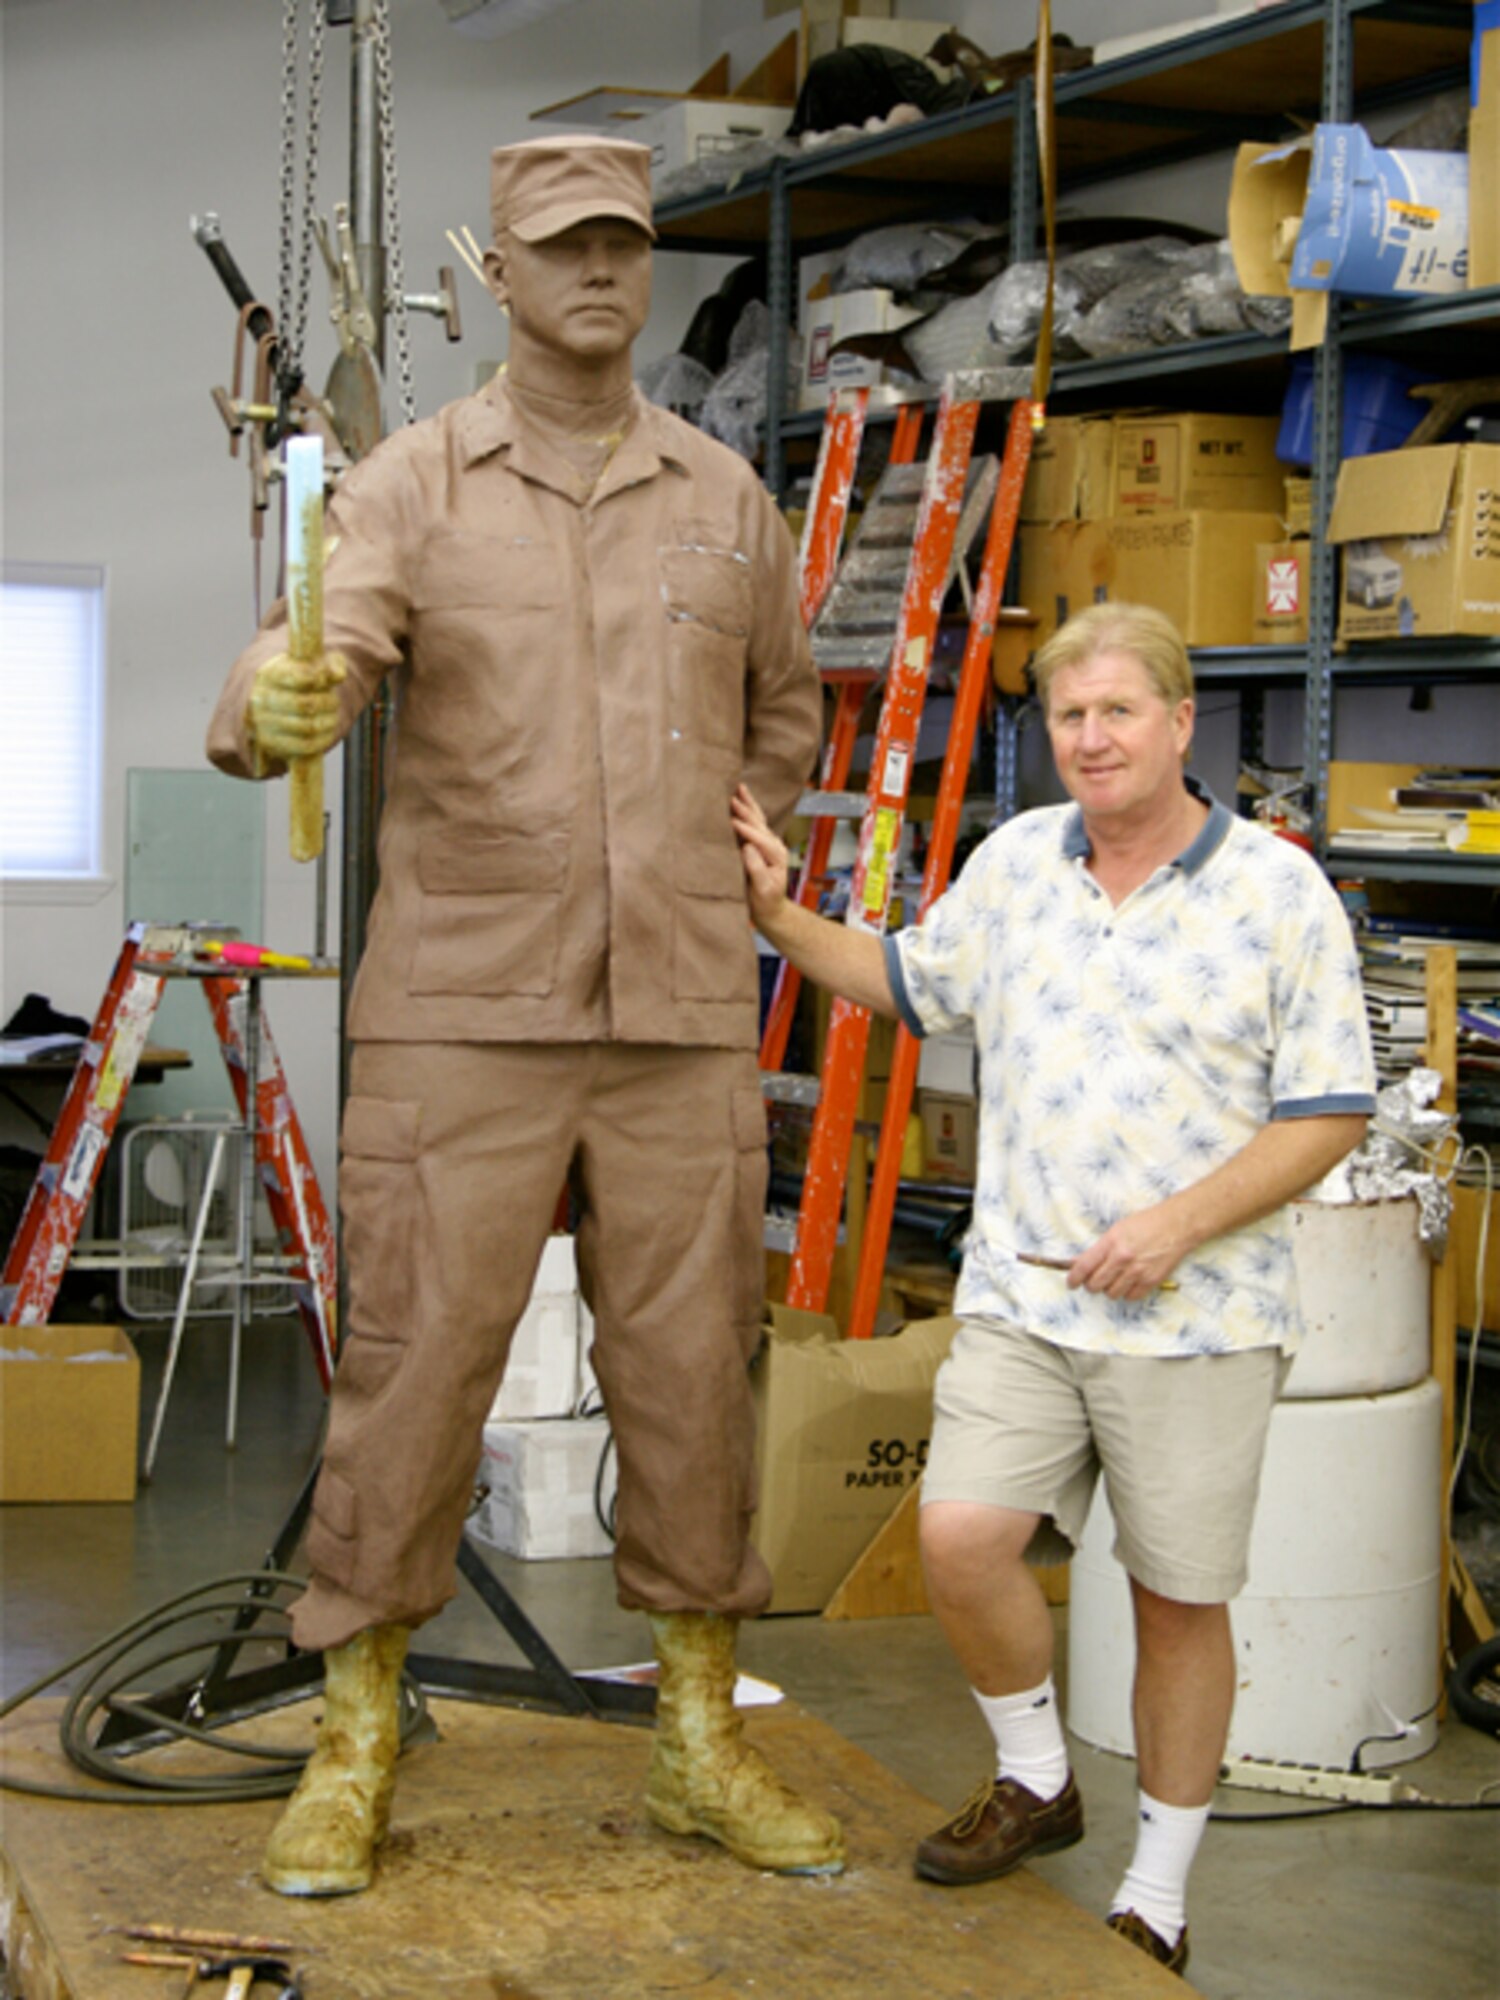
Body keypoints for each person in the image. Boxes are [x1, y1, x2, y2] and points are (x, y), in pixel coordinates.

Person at [207, 134, 837, 1896]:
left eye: (628, 245)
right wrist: (285, 700)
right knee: (414, 1371)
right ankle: (351, 1739)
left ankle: (703, 1743)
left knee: (696, 1377)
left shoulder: (726, 497)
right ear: (496, 272)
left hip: (683, 1012)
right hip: (462, 1012)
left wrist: (737, 832)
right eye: (563, 247)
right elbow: (290, 669)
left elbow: (785, 709)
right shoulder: (409, 487)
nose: (602, 274)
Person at [732, 600, 1375, 1974]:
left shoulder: (1276, 891)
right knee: (962, 1539)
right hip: (1025, 1297)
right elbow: (908, 980)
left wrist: (1177, 1225)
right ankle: (1039, 1777)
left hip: (1194, 1318)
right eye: (1069, 716)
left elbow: (1329, 1112)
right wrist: (780, 913)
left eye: (1119, 712)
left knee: (1173, 1600)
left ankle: (1159, 1886)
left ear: (1180, 722)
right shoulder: (1019, 861)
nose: (1091, 739)